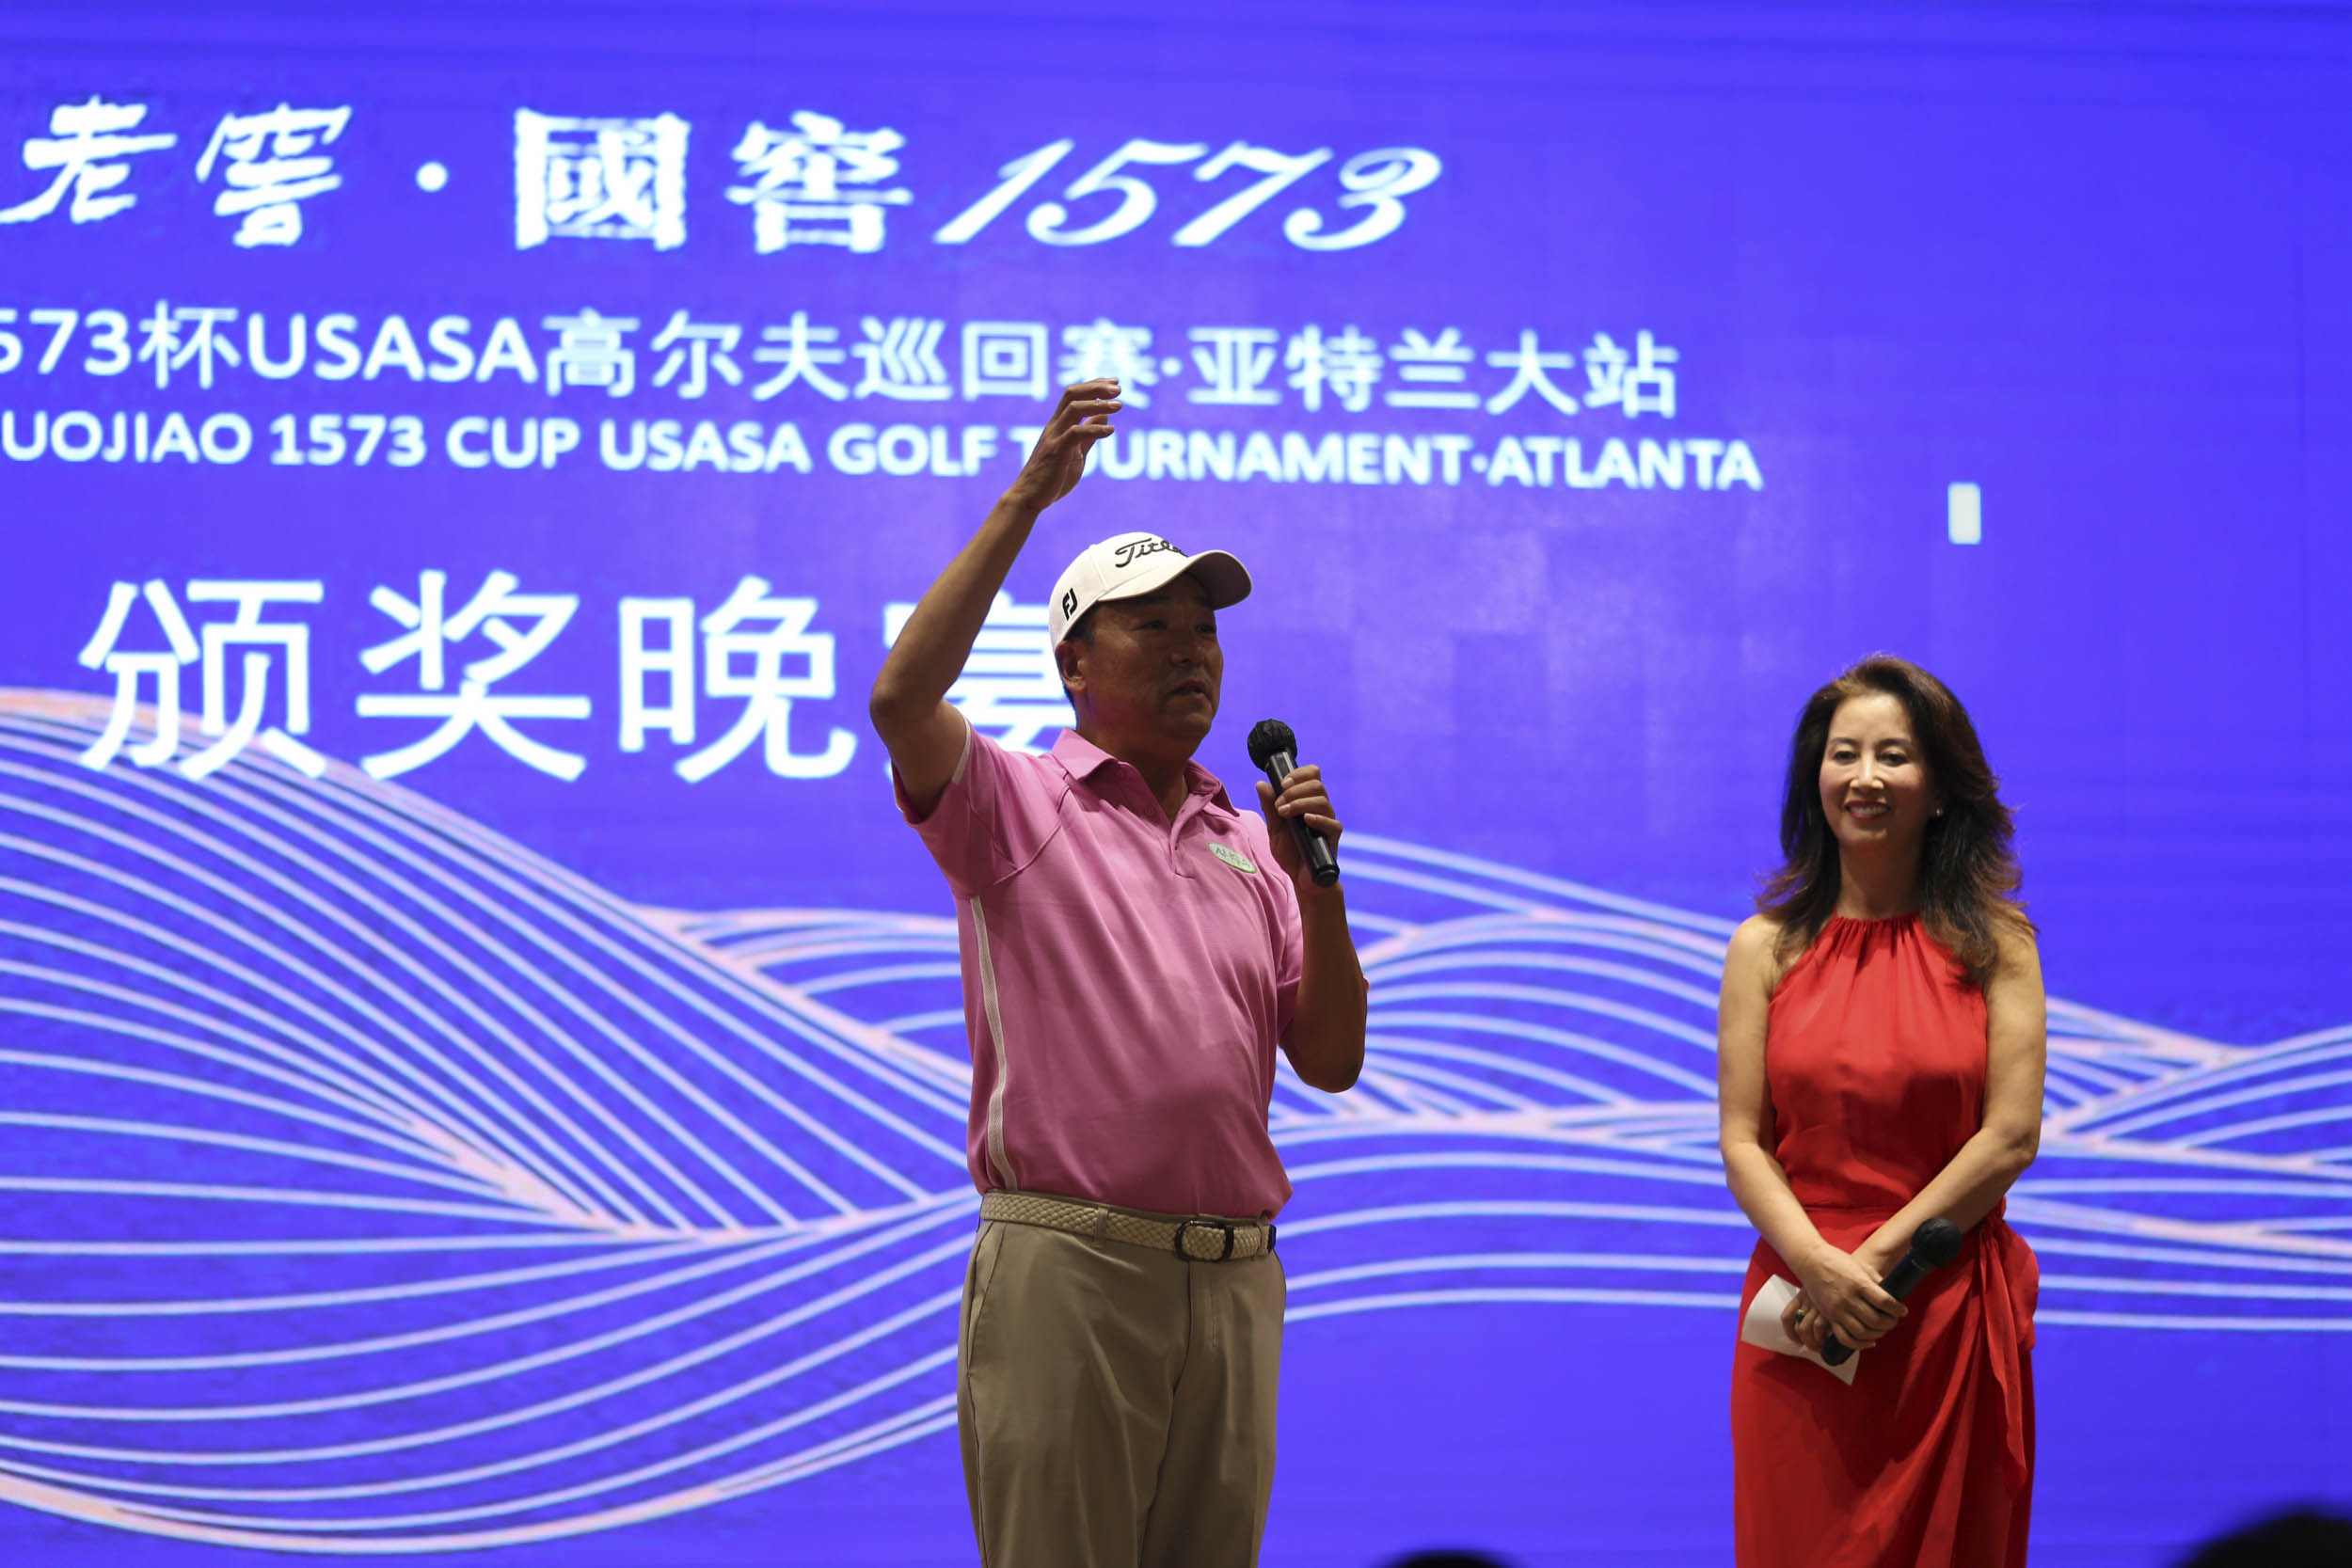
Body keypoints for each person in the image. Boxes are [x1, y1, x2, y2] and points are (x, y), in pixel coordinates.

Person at [868, 378, 1370, 1568]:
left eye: (1205, 628)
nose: (1193, 649)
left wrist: (1319, 883)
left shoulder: (1248, 839)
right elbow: (899, 699)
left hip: (1237, 1273)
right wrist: (1028, 497)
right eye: (1153, 624)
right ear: (1074, 662)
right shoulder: (1012, 800)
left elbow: (1332, 1059)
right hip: (1072, 1262)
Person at [1717, 655, 2045, 1567]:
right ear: (1814, 777)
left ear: (1938, 787)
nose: (1864, 776)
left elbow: (2010, 1136)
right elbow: (1743, 1140)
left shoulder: (1999, 944)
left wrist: (1871, 1262)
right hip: (1801, 1306)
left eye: (1893, 755)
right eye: (1844, 754)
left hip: (1938, 1305)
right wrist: (1819, 1264)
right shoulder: (1762, 947)